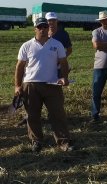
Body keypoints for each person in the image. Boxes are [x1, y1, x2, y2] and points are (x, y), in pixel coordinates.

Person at [14, 17, 74, 153]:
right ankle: (36, 141)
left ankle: (63, 142)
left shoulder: (57, 44)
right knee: (32, 115)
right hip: (31, 85)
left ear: (49, 28)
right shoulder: (27, 46)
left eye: (45, 27)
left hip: (52, 84)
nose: (43, 29)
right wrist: (17, 86)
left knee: (58, 114)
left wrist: (64, 77)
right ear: (35, 28)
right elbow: (19, 67)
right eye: (40, 27)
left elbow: (63, 62)